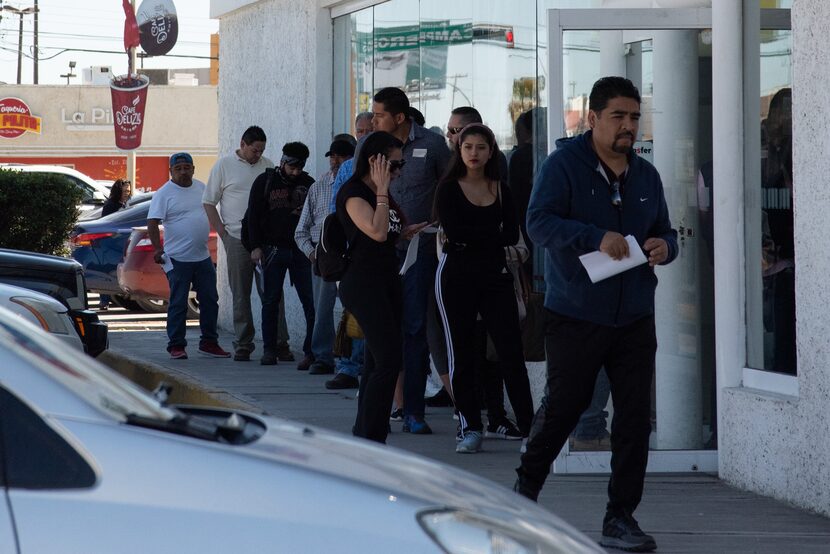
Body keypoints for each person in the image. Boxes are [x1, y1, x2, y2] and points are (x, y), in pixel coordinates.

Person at [514, 76, 677, 553]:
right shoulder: (563, 165)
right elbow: (538, 222)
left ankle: (620, 517)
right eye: (618, 117)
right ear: (592, 118)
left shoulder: (646, 175)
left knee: (632, 420)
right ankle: (523, 498)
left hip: (634, 318)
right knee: (564, 409)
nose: (628, 126)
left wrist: (664, 247)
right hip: (576, 314)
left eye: (634, 117)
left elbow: (667, 231)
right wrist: (591, 235)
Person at [433, 123, 534, 453]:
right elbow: (456, 231)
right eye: (467, 147)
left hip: (495, 273)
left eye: (480, 147)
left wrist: (474, 236)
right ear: (459, 151)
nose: (474, 153)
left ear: (491, 151)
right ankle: (469, 428)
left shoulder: (502, 188)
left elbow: (510, 235)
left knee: (510, 353)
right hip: (457, 274)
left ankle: (530, 429)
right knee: (461, 353)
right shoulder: (448, 188)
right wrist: (483, 236)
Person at [336, 131, 425, 442]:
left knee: (377, 360)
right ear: (376, 162)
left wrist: (404, 233)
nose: (399, 172)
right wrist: (384, 191)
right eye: (395, 165)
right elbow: (374, 230)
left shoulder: (378, 194)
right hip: (363, 283)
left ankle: (366, 429)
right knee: (388, 360)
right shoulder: (355, 193)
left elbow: (385, 234)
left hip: (387, 279)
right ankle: (371, 433)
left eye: (401, 166)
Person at [371, 86, 451, 434]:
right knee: (382, 331)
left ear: (399, 117)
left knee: (416, 328)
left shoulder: (433, 146)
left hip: (422, 250)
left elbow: (451, 190)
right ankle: (380, 408)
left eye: (379, 115)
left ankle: (413, 412)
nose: (374, 121)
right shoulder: (370, 148)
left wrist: (439, 227)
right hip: (381, 251)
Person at [203, 126, 291, 362]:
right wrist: (222, 233)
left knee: (273, 293)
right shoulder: (224, 166)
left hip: (265, 241)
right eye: (254, 150)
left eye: (261, 150)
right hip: (236, 238)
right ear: (242, 144)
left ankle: (280, 342)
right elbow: (209, 202)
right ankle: (243, 343)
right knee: (240, 293)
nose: (258, 155)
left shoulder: (268, 166)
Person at [147, 152, 231, 360]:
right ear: (171, 172)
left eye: (187, 167)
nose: (183, 172)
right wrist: (158, 249)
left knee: (210, 299)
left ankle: (209, 342)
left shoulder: (202, 188)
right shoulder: (164, 193)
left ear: (193, 169)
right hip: (177, 258)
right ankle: (176, 345)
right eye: (178, 169)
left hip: (202, 257)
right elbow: (152, 222)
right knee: (178, 302)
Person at [247, 142, 316, 368]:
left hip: (302, 251)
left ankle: (311, 350)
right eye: (292, 167)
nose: (295, 172)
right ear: (283, 162)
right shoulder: (265, 182)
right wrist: (255, 247)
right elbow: (252, 217)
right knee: (271, 301)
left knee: (310, 301)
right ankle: (270, 349)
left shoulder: (308, 184)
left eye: (300, 168)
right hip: (272, 249)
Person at [295, 136, 355, 375]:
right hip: (325, 256)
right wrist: (312, 253)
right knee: (322, 309)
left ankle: (354, 360)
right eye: (332, 155)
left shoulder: (361, 186)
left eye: (342, 155)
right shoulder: (318, 187)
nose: (335, 160)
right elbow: (300, 230)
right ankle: (322, 356)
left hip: (355, 256)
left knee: (356, 309)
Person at [324, 113, 374, 391]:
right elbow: (335, 215)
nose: (364, 135)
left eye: (369, 130)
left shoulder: (392, 163)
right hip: (354, 254)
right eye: (359, 131)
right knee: (352, 315)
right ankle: (348, 368)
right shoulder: (348, 169)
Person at [446, 106, 508, 181]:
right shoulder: (446, 157)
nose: (448, 135)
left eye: (455, 130)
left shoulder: (496, 159)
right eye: (449, 129)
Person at [99, 178, 132, 310]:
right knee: (108, 270)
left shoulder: (127, 205)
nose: (126, 194)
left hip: (122, 243)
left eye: (128, 191)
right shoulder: (110, 206)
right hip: (110, 243)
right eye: (124, 191)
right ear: (118, 191)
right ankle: (104, 300)